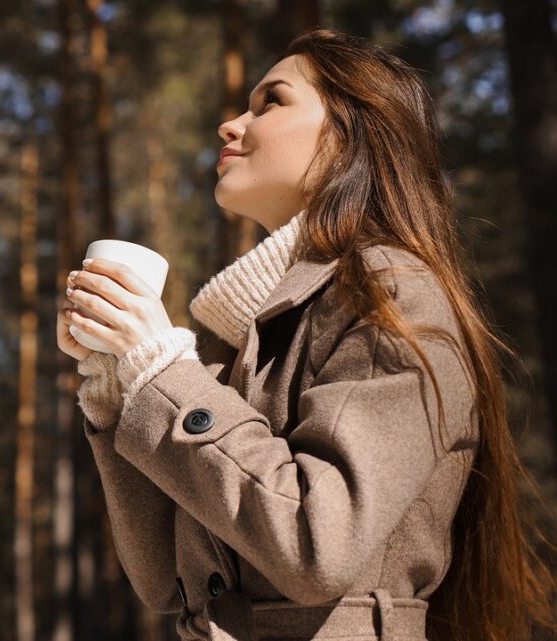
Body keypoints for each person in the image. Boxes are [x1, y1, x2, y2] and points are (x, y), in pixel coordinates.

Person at [56, 28, 557, 641]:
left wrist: (161, 370)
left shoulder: (389, 293)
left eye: (271, 102)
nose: (232, 125)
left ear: (350, 136)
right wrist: (118, 385)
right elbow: (164, 582)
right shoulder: (241, 340)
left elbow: (317, 542)